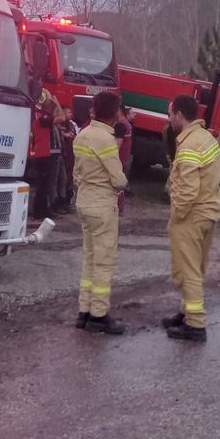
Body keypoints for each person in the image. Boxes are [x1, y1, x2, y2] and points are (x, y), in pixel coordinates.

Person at [161, 95, 220, 342]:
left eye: (170, 114)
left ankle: (195, 324)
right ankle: (187, 313)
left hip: (193, 215)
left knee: (189, 271)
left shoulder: (188, 146)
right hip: (209, 212)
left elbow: (187, 191)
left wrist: (177, 216)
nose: (168, 119)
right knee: (196, 267)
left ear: (179, 115)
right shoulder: (207, 138)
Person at [73, 92, 129, 335]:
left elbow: (76, 174)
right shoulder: (106, 140)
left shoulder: (82, 135)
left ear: (94, 109)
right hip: (102, 205)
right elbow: (118, 180)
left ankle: (83, 312)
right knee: (104, 261)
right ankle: (99, 315)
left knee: (89, 259)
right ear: (116, 114)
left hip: (84, 202)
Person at [29, 91, 57, 221]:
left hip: (42, 154)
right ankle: (38, 212)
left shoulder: (41, 119)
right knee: (42, 186)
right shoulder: (43, 119)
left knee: (44, 185)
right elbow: (61, 117)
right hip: (43, 155)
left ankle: (43, 211)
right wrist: (57, 104)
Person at [113, 105, 134, 215]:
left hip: (119, 159)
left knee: (117, 184)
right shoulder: (127, 124)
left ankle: (118, 207)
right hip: (125, 158)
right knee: (121, 183)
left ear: (119, 111)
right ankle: (120, 207)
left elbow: (117, 145)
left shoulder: (120, 125)